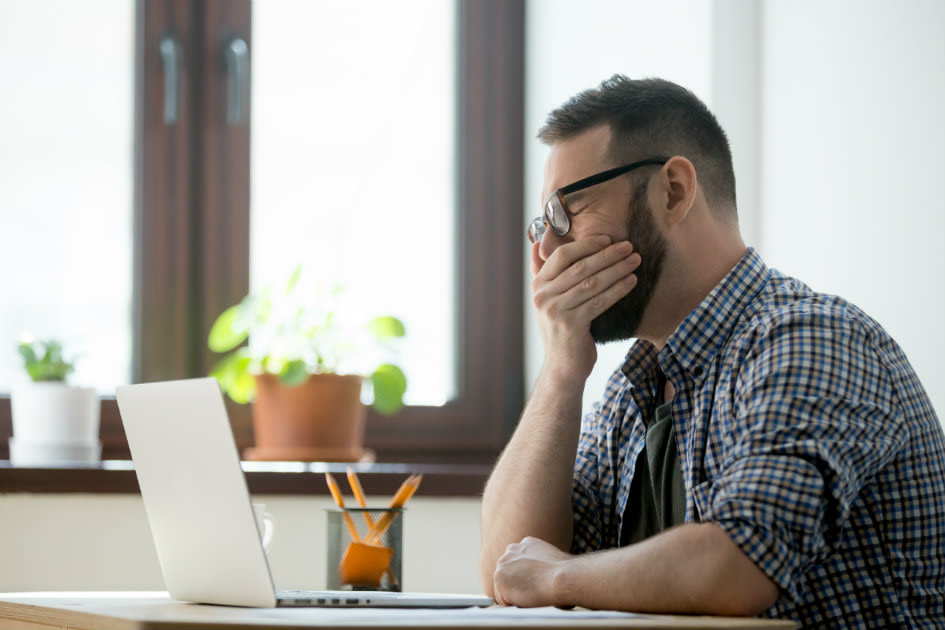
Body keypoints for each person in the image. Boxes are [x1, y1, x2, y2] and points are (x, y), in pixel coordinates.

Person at [479, 75, 945, 628]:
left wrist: (560, 577)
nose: (548, 251)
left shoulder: (810, 339)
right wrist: (561, 372)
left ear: (673, 190)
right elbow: (510, 569)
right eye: (542, 224)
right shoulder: (632, 393)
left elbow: (739, 562)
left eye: (569, 210)